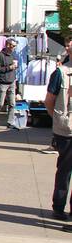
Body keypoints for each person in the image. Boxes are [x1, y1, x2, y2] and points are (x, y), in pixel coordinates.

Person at [45, 31, 72, 221]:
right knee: (65, 168)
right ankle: (59, 206)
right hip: (67, 129)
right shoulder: (61, 73)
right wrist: (58, 118)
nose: (68, 45)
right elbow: (49, 101)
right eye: (68, 43)